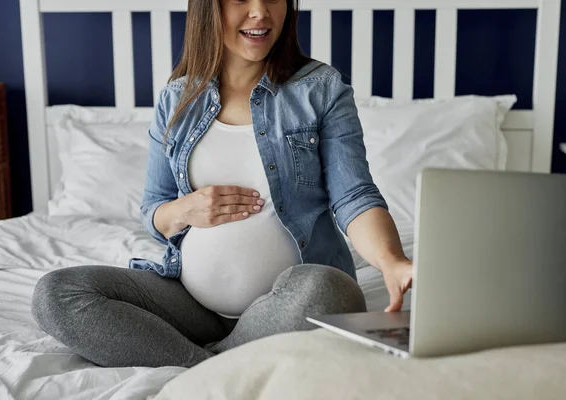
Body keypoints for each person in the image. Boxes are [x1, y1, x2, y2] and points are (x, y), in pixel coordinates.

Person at [31, 0, 413, 369]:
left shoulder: (321, 90)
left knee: (331, 291)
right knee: (56, 294)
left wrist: (391, 261)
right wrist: (185, 209)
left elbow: (354, 196)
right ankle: (212, 364)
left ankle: (189, 360)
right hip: (192, 305)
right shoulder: (177, 98)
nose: (261, 11)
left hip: (293, 302)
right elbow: (154, 210)